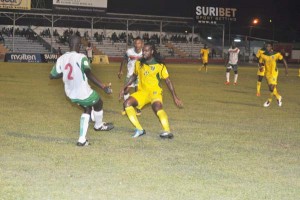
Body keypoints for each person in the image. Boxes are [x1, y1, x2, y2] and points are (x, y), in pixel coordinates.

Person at [49, 35, 114, 146]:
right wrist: (103, 86)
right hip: (83, 92)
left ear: (69, 45)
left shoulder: (62, 58)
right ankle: (98, 126)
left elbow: (52, 76)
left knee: (87, 108)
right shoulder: (81, 57)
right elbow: (88, 73)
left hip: (70, 94)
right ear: (79, 45)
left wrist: (64, 73)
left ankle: (82, 140)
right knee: (99, 103)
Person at [119, 43, 183, 139]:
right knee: (127, 103)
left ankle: (167, 131)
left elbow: (168, 81)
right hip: (142, 92)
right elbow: (134, 76)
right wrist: (124, 87)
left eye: (146, 50)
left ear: (152, 52)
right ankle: (139, 130)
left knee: (157, 109)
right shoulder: (138, 63)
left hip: (155, 92)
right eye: (143, 50)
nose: (144, 52)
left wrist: (175, 97)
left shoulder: (160, 66)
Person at [118, 37, 143, 115]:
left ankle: (138, 109)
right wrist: (120, 70)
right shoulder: (129, 51)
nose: (137, 45)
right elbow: (123, 60)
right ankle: (126, 108)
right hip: (130, 75)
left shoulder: (144, 52)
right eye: (135, 43)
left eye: (139, 43)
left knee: (137, 92)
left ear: (142, 44)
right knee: (125, 91)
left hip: (140, 75)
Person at [260, 42, 288, 107]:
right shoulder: (263, 55)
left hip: (274, 73)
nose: (267, 48)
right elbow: (261, 62)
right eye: (266, 46)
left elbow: (283, 60)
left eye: (269, 46)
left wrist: (286, 69)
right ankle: (278, 97)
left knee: (272, 87)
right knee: (271, 88)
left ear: (271, 47)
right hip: (267, 73)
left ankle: (269, 100)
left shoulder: (276, 54)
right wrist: (261, 67)